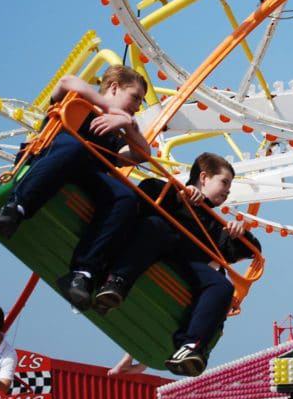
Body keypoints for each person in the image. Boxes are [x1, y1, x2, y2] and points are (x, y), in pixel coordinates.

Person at [0, 65, 149, 311]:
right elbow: (66, 80)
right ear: (114, 88)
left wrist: (127, 124)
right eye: (135, 97)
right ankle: (17, 207)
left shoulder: (118, 131)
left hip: (86, 174)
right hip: (54, 156)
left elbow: (142, 154)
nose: (137, 106)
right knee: (75, 147)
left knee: (126, 197)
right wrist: (108, 108)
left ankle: (83, 272)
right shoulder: (79, 101)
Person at [93, 152, 260, 376]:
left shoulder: (213, 222)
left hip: (182, 266)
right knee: (156, 227)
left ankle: (190, 347)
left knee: (222, 286)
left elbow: (248, 251)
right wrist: (178, 197)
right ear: (204, 177)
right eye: (224, 182)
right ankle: (116, 282)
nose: (227, 191)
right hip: (148, 249)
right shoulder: (165, 189)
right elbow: (142, 197)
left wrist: (241, 235)